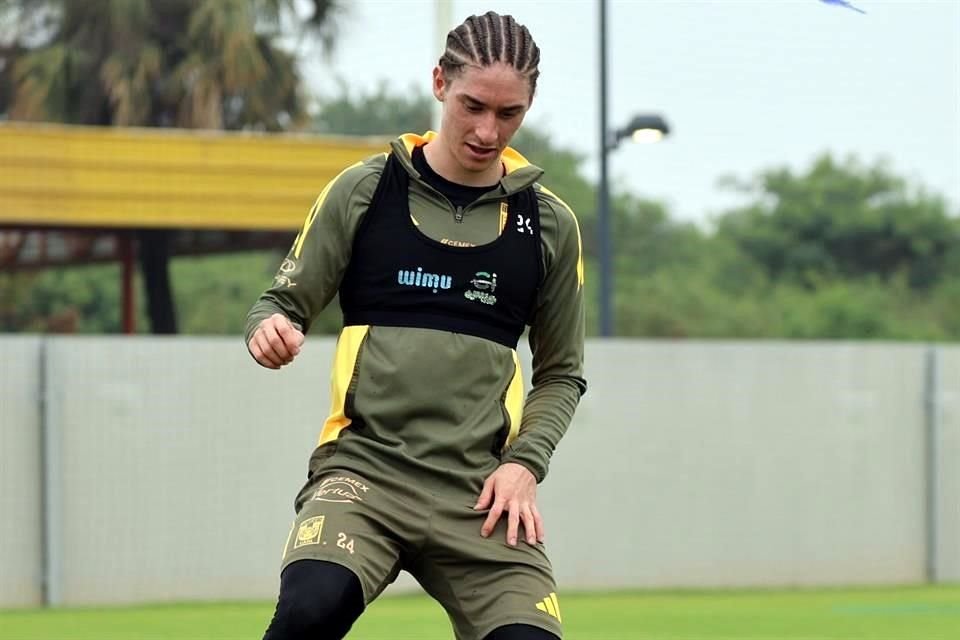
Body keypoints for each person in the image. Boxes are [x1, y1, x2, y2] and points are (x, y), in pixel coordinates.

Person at [245, 11, 586, 640]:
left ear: (529, 106)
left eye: (508, 113)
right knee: (309, 610)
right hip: (364, 475)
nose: (487, 130)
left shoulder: (549, 225)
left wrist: (524, 467)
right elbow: (280, 304)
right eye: (473, 105)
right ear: (439, 83)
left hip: (480, 495)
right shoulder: (364, 191)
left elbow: (562, 374)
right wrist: (269, 329)